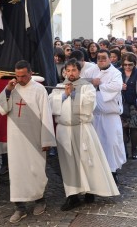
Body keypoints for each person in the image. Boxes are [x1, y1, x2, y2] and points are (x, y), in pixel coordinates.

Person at [49, 59, 119, 211]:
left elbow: (90, 104)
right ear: (64, 72)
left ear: (79, 71)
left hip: (82, 128)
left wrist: (74, 94)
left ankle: (90, 191)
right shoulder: (59, 87)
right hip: (64, 130)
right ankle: (72, 196)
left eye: (74, 70)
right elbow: (51, 105)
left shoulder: (87, 86)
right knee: (68, 163)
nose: (71, 73)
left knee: (87, 161)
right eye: (68, 70)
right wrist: (64, 96)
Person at [0, 60, 56, 224]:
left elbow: (46, 115)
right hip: (15, 139)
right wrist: (7, 90)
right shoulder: (12, 88)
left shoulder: (39, 90)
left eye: (23, 76)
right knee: (17, 172)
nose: (20, 79)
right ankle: (19, 207)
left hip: (34, 138)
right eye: (17, 75)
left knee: (35, 170)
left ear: (31, 73)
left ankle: (39, 200)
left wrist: (46, 139)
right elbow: (1, 109)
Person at [84, 50, 126, 184]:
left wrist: (98, 85)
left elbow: (116, 86)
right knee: (96, 144)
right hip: (94, 116)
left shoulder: (116, 73)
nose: (101, 60)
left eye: (104, 58)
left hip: (110, 116)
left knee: (111, 143)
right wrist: (91, 80)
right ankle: (97, 173)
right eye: (99, 58)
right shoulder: (91, 70)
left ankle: (113, 172)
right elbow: (82, 81)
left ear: (110, 59)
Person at [119, 53, 137, 159]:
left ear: (134, 64)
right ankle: (124, 151)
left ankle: (134, 150)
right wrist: (119, 87)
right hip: (121, 104)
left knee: (134, 129)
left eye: (130, 64)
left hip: (134, 105)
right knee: (123, 129)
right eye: (125, 64)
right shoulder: (118, 72)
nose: (127, 67)